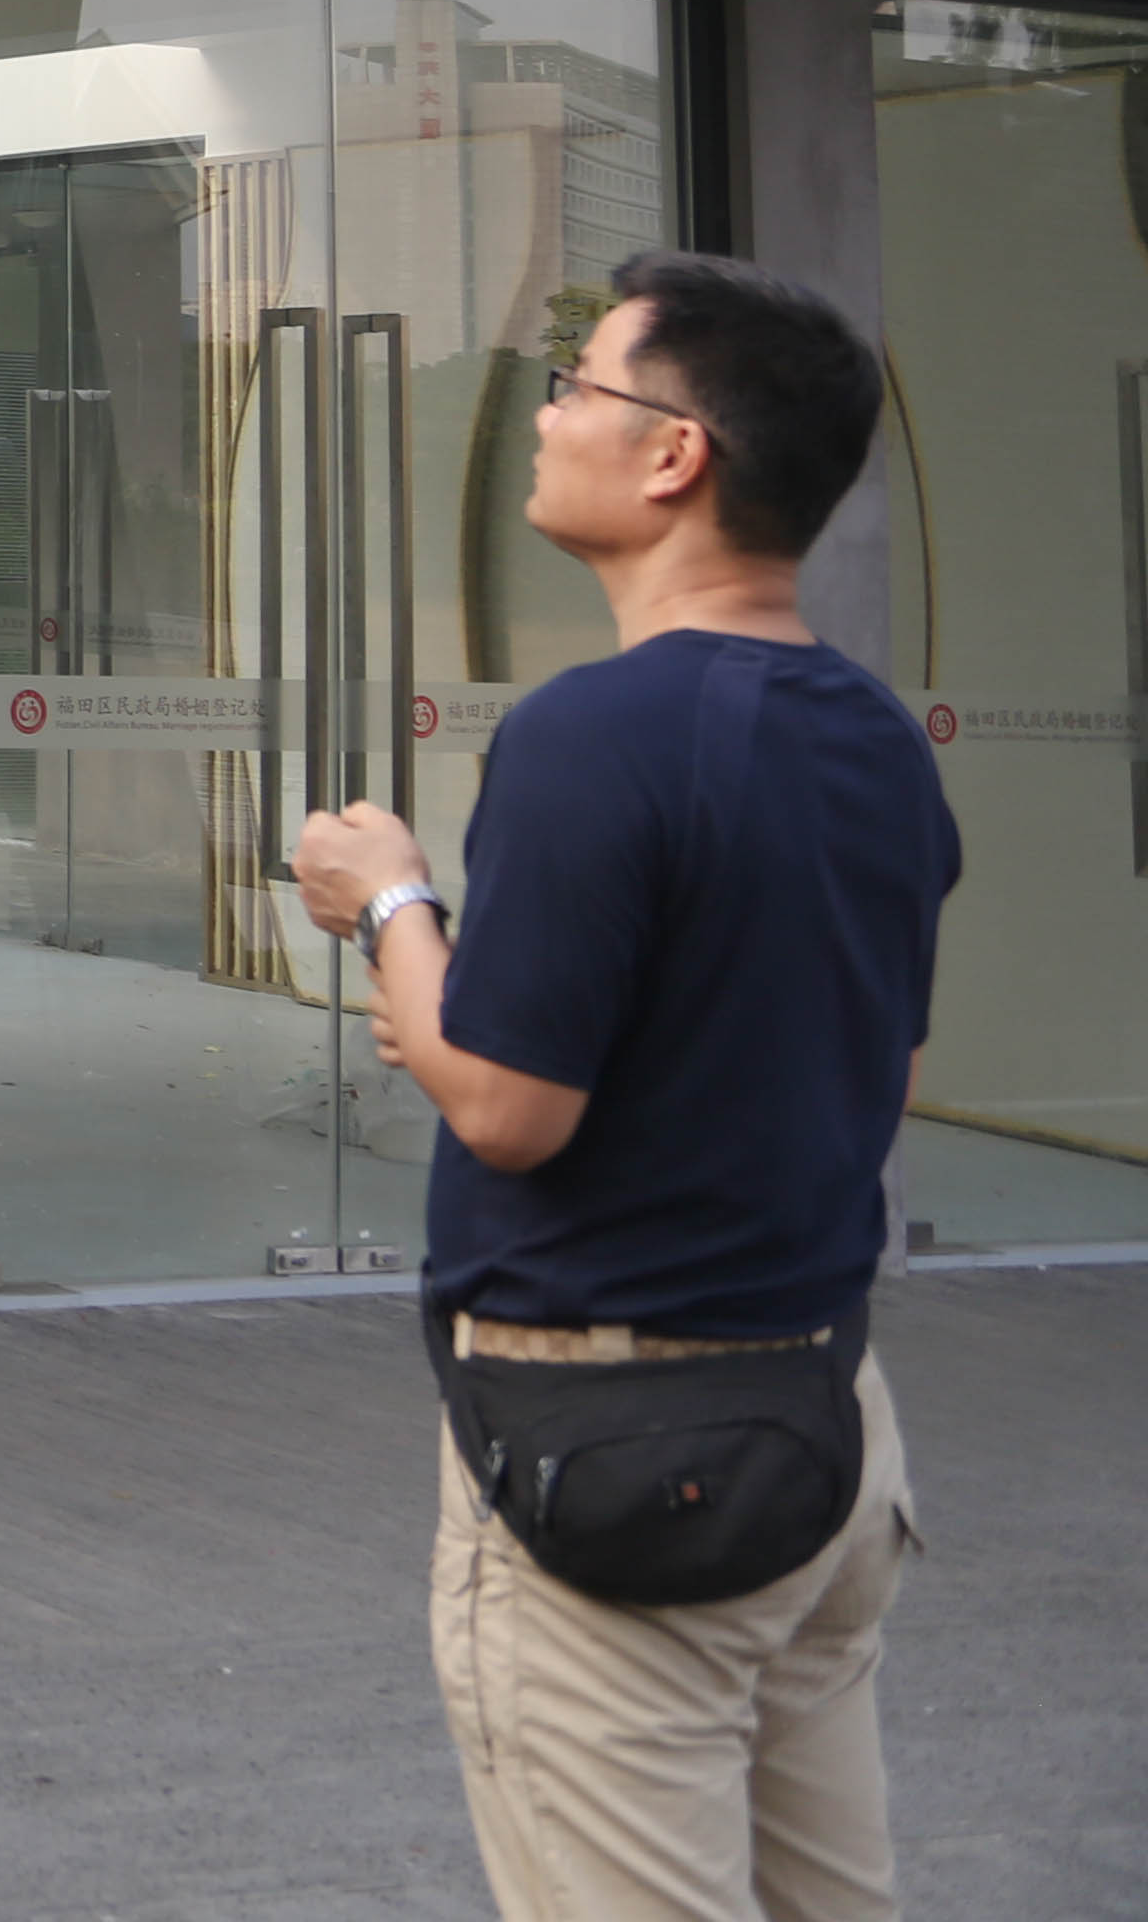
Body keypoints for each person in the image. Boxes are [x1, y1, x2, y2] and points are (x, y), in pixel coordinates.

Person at [291, 250, 957, 1922]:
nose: (545, 415)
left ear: (675, 454)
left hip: (620, 1458)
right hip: (826, 1431)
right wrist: (463, 1014)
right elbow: (875, 1062)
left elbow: (511, 1109)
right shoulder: (876, 738)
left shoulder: (595, 735)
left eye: (579, 383)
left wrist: (388, 904)